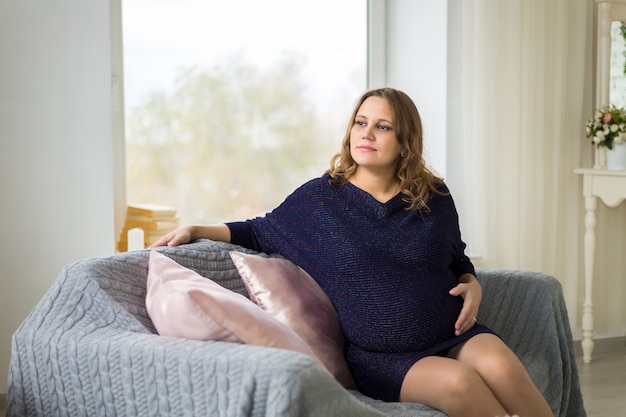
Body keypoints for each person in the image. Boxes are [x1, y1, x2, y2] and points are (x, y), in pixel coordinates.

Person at [151, 87, 554, 417]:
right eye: (361, 123)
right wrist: (196, 228)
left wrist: (473, 285)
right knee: (460, 383)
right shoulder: (320, 200)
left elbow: (456, 259)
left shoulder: (434, 195)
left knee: (501, 365)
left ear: (404, 142)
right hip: (384, 358)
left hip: (453, 332)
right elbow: (258, 230)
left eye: (382, 127)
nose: (367, 134)